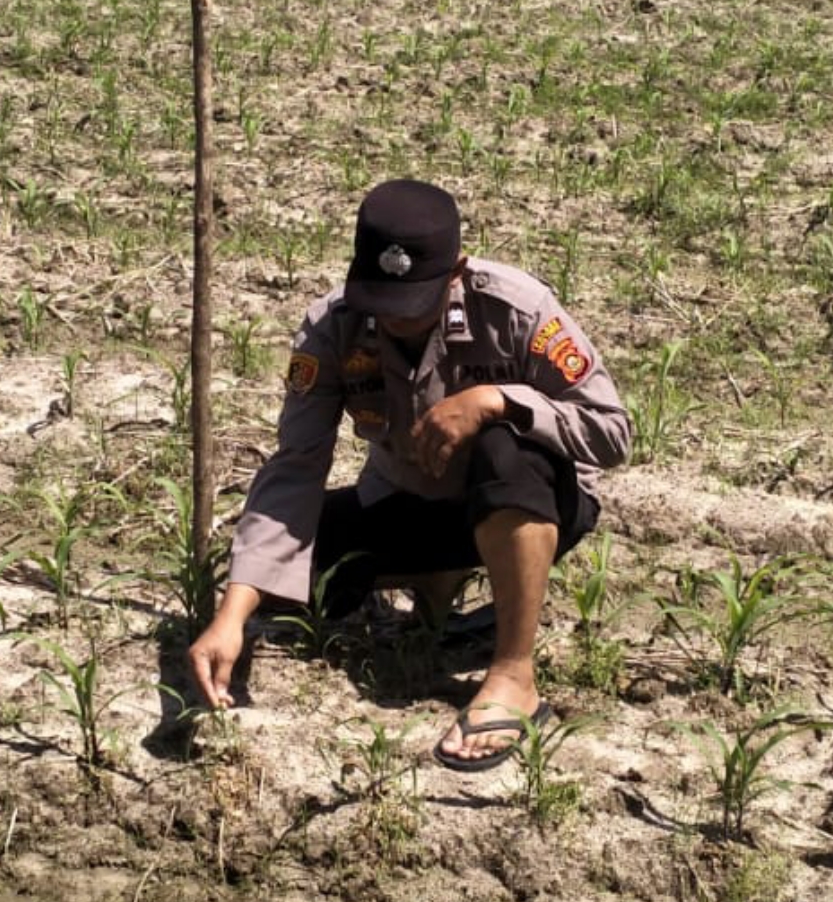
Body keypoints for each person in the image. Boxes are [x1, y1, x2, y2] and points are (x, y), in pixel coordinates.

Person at [187, 179, 629, 769]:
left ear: (456, 272)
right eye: (382, 302)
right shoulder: (333, 327)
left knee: (505, 448)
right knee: (289, 571)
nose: (395, 319)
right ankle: (437, 583)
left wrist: (498, 401)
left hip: (534, 499)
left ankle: (513, 674)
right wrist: (231, 614)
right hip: (413, 500)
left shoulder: (518, 310)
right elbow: (296, 466)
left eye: (414, 303)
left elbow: (611, 432)